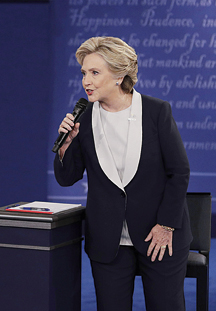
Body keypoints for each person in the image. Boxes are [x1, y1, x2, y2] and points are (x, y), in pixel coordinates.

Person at [54, 36, 192, 311]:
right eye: (84, 73)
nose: (86, 81)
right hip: (108, 239)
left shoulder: (156, 111)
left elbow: (179, 172)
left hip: (158, 235)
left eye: (95, 73)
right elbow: (67, 178)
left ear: (119, 75)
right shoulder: (83, 117)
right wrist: (65, 146)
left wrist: (166, 226)